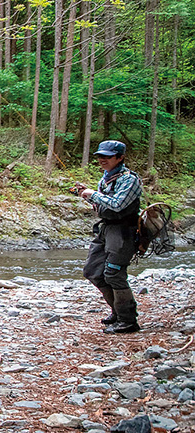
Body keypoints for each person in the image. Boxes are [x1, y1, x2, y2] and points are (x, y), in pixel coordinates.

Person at [72, 140, 143, 334]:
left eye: (108, 156)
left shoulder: (130, 179)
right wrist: (88, 196)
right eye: (100, 156)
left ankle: (128, 321)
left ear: (120, 158)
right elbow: (103, 207)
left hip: (123, 232)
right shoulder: (105, 178)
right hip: (105, 229)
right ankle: (117, 312)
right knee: (92, 271)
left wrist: (93, 194)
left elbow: (118, 205)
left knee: (114, 273)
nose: (102, 160)